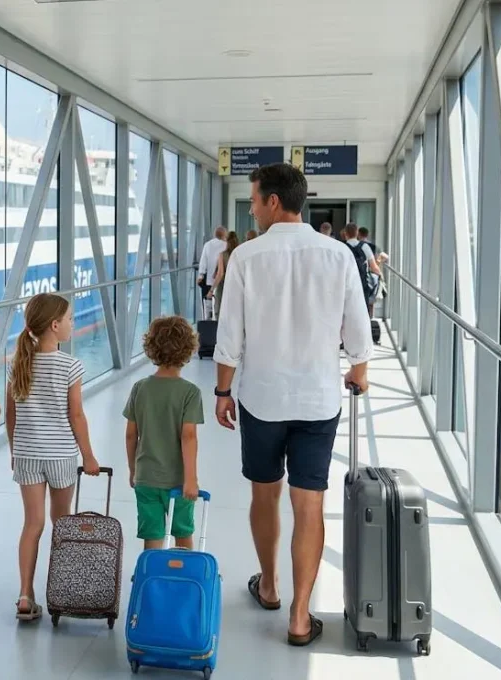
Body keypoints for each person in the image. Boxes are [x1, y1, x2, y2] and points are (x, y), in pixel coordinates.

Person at [213, 162, 371, 647]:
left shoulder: (247, 257)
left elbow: (229, 333)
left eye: (256, 200)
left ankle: (270, 585)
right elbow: (357, 326)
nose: (254, 208)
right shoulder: (338, 254)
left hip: (262, 398)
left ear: (273, 201)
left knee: (265, 494)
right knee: (310, 504)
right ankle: (301, 616)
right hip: (318, 399)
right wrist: (358, 371)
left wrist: (222, 391)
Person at [4, 293, 101, 622]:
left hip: (28, 454)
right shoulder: (70, 365)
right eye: (71, 319)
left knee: (32, 524)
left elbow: (10, 415)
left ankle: (25, 595)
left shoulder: (18, 363)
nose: (74, 323)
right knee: (61, 525)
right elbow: (76, 415)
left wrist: (14, 452)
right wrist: (88, 456)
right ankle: (59, 591)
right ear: (55, 325)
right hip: (60, 455)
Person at [124, 316, 203, 550]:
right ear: (188, 349)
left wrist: (133, 469)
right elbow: (188, 436)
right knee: (183, 532)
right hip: (178, 480)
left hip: (146, 476)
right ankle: (182, 579)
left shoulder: (140, 388)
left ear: (152, 348)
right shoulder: (190, 392)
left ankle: (154, 581)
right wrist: (191, 478)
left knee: (153, 535)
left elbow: (131, 435)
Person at [342, 222, 382, 319]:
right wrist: (380, 276)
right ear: (357, 233)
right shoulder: (364, 247)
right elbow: (374, 267)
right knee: (363, 311)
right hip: (362, 284)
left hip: (345, 284)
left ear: (345, 234)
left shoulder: (342, 247)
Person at [207, 231, 241, 319]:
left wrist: (211, 290)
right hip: (238, 286)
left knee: (221, 312)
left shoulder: (222, 254)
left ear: (227, 241)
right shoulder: (241, 253)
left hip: (224, 286)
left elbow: (220, 274)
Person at [196, 226, 228, 303]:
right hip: (222, 280)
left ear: (215, 235)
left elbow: (203, 261)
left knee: (207, 304)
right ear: (224, 235)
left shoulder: (207, 244)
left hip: (208, 280)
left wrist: (200, 275)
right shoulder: (226, 245)